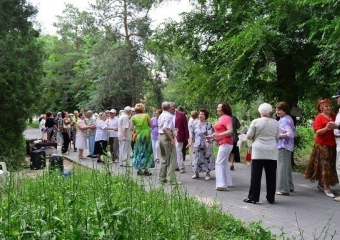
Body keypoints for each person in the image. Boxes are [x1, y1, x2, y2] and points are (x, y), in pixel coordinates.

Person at [243, 103, 280, 204]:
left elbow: (249, 136)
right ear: (270, 112)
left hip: (258, 151)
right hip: (272, 151)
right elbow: (277, 136)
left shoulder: (255, 122)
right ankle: (271, 198)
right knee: (271, 175)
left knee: (256, 175)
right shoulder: (275, 122)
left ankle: (253, 197)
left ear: (259, 112)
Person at [304, 99, 338, 198]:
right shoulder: (319, 117)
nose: (328, 108)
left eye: (329, 106)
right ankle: (327, 187)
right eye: (326, 106)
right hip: (322, 145)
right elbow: (318, 132)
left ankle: (320, 184)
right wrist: (327, 128)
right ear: (321, 108)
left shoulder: (334, 116)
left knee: (330, 165)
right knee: (325, 166)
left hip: (332, 144)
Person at [206, 102, 233, 191]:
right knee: (224, 163)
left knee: (219, 163)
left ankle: (221, 184)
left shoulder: (226, 118)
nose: (217, 109)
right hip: (224, 143)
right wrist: (212, 136)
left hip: (226, 143)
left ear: (223, 109)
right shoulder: (222, 118)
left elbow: (230, 131)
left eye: (219, 107)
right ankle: (228, 182)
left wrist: (218, 135)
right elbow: (219, 132)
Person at [275, 102, 296, 196]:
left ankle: (283, 189)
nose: (277, 112)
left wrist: (278, 136)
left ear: (285, 110)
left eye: (279, 110)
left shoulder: (284, 120)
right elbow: (294, 132)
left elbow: (290, 134)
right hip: (288, 146)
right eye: (276, 109)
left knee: (282, 167)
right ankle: (290, 187)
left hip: (283, 146)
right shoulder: (288, 118)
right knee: (286, 167)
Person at [188, 109, 215, 180]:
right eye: (199, 114)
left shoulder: (208, 124)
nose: (200, 116)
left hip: (206, 144)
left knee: (206, 158)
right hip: (197, 144)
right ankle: (196, 173)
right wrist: (190, 142)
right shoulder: (195, 123)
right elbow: (192, 134)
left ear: (205, 116)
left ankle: (207, 173)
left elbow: (210, 134)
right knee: (196, 158)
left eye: (202, 114)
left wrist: (207, 140)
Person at [158, 101, 180, 185]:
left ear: (162, 107)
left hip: (160, 137)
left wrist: (173, 129)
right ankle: (172, 179)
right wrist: (171, 139)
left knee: (164, 158)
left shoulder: (161, 115)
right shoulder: (169, 116)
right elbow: (164, 128)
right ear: (170, 107)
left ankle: (162, 178)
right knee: (172, 158)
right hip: (167, 137)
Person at [131, 103, 155, 176]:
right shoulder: (146, 115)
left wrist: (137, 129)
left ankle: (139, 169)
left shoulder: (133, 117)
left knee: (138, 151)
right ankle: (146, 170)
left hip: (138, 135)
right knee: (147, 151)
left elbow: (131, 128)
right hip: (146, 135)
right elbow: (151, 125)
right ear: (142, 109)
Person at [327, 90, 340, 201]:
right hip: (337, 140)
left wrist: (337, 126)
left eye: (337, 97)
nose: (336, 100)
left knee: (339, 166)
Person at [171, 102, 189, 173]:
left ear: (175, 107)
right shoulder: (167, 115)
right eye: (170, 107)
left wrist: (187, 136)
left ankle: (181, 166)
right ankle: (175, 166)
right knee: (173, 151)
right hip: (170, 135)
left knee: (178, 150)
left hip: (179, 135)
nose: (172, 108)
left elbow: (185, 126)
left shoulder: (181, 114)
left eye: (173, 106)